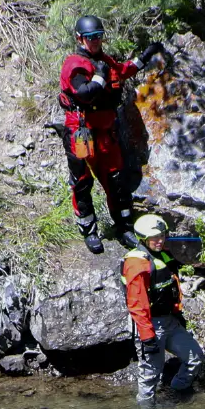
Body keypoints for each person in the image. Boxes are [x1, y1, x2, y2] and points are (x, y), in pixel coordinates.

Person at [58, 15, 149, 255]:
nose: (95, 41)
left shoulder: (104, 60)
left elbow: (122, 70)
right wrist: (99, 76)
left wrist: (145, 57)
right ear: (80, 38)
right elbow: (84, 93)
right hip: (81, 131)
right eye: (90, 37)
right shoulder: (74, 64)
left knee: (116, 180)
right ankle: (89, 231)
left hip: (106, 131)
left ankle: (124, 228)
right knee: (82, 182)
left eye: (98, 36)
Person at [123, 214, 204, 402]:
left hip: (169, 321)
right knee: (150, 374)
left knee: (195, 358)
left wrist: (177, 314)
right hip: (149, 325)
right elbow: (137, 305)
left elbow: (172, 288)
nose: (160, 240)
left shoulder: (163, 255)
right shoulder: (137, 264)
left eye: (162, 235)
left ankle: (176, 396)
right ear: (143, 239)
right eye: (154, 237)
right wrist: (147, 337)